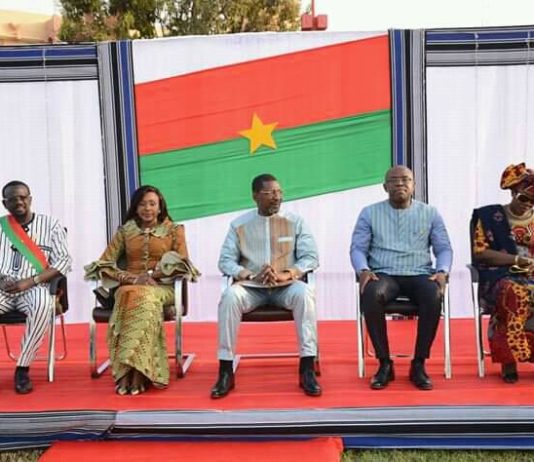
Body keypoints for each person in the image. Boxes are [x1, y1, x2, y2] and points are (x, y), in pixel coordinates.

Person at [211, 173, 321, 399]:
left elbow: (310, 257)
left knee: (304, 294)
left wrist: (286, 274)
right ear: (255, 196)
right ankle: (225, 370)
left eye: (279, 192)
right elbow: (225, 261)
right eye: (270, 193)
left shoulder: (295, 222)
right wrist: (250, 274)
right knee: (230, 296)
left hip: (286, 286)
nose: (277, 197)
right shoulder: (239, 225)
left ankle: (307, 367)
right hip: (252, 288)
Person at [85, 185, 198, 395]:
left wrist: (152, 275)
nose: (147, 208)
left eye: (152, 204)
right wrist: (132, 278)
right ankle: (136, 369)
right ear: (135, 208)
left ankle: (133, 372)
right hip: (129, 287)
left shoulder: (174, 230)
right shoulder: (125, 231)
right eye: (142, 204)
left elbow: (181, 264)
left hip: (162, 287)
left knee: (143, 295)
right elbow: (104, 264)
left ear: (160, 207)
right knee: (134, 293)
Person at [350, 166, 452, 391]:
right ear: (385, 187)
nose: (400, 184)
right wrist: (363, 270)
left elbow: (444, 248)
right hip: (384, 273)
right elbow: (357, 248)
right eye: (394, 180)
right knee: (371, 292)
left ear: (414, 185)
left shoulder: (430, 213)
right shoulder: (369, 213)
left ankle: (419, 363)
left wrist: (442, 271)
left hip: (419, 273)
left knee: (433, 293)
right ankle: (384, 363)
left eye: (406, 179)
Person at [0, 180, 71, 394]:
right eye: (13, 199)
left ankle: (22, 368)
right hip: (3, 288)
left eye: (23, 197)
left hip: (34, 286)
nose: (19, 202)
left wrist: (30, 281)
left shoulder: (51, 225)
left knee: (42, 305)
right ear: (5, 203)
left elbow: (64, 261)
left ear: (30, 199)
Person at [471, 163, 534, 383]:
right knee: (514, 292)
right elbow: (481, 252)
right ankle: (510, 360)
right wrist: (516, 260)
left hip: (531, 272)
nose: (528, 204)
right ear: (513, 193)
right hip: (501, 273)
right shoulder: (491, 216)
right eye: (524, 198)